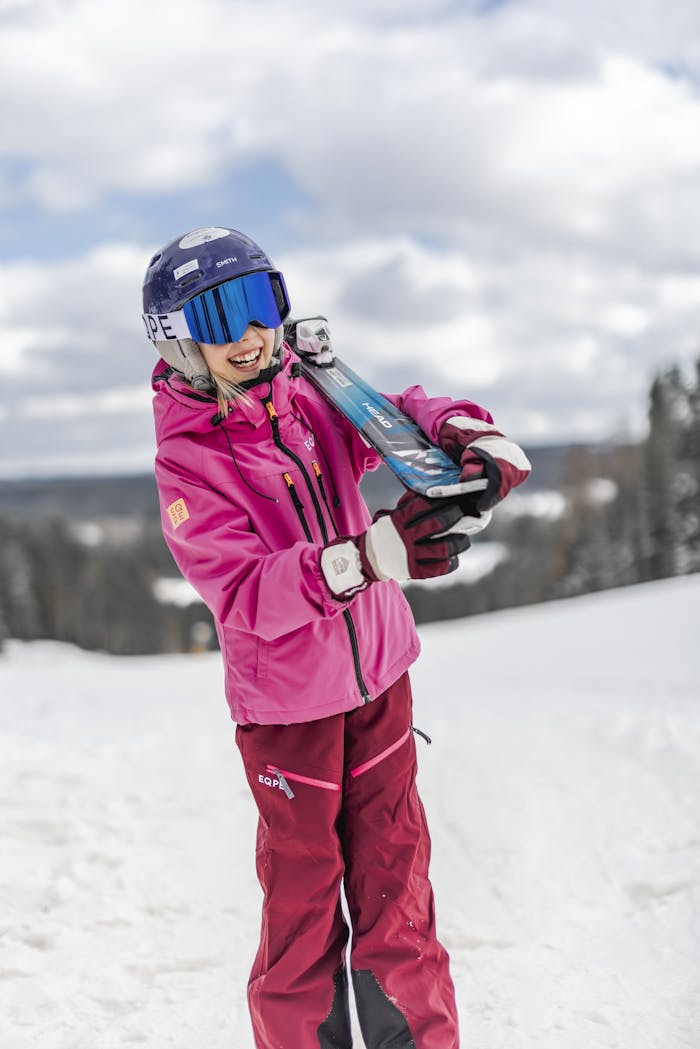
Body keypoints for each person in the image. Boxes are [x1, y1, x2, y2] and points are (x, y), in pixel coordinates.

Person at [141, 226, 531, 1049]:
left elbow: (393, 419)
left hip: (382, 685)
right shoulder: (189, 460)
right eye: (219, 317)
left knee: (399, 897)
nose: (249, 335)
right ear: (179, 341)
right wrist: (369, 557)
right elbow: (245, 592)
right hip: (289, 718)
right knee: (304, 913)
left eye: (260, 303)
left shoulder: (308, 390)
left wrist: (463, 432)